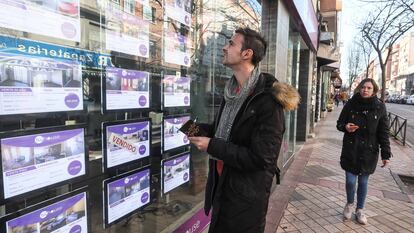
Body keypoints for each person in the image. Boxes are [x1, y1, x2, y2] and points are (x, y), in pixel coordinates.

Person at [188, 27, 300, 233]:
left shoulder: (268, 101)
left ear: (246, 54)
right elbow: (223, 132)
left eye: (231, 44)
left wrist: (212, 146)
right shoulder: (232, 91)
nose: (224, 48)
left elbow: (262, 158)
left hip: (246, 199)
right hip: (222, 187)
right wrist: (191, 128)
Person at [336, 78, 391, 225]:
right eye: (363, 87)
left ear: (374, 91)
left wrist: (386, 154)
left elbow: (383, 132)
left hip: (369, 151)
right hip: (351, 149)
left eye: (368, 88)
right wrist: (345, 127)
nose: (365, 90)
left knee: (363, 182)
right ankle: (349, 204)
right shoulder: (351, 104)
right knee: (350, 181)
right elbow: (339, 123)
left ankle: (360, 209)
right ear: (359, 88)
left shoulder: (380, 107)